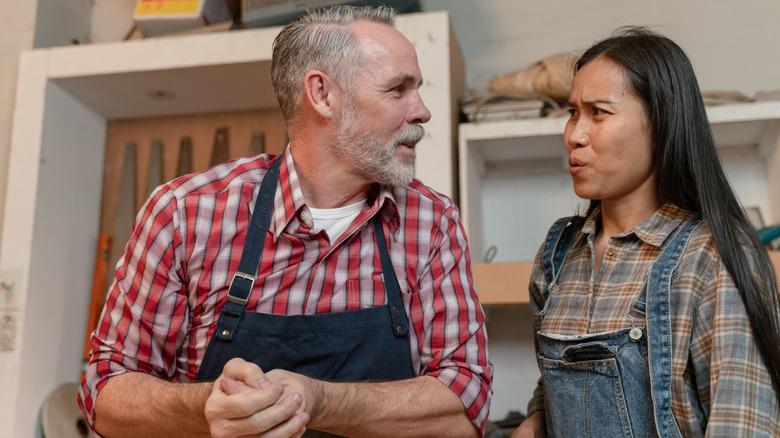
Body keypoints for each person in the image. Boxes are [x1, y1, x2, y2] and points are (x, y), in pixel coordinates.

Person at [77, 6, 492, 438]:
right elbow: (103, 392)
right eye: (397, 90)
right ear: (323, 95)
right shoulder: (185, 213)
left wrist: (317, 401)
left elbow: (466, 405)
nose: (422, 111)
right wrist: (210, 406)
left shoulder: (431, 223)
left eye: (417, 89)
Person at [513, 28, 780, 437]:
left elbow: (744, 424)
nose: (574, 135)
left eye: (599, 112)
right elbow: (553, 392)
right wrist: (533, 423)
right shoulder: (558, 254)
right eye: (572, 113)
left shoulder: (714, 256)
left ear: (662, 122)